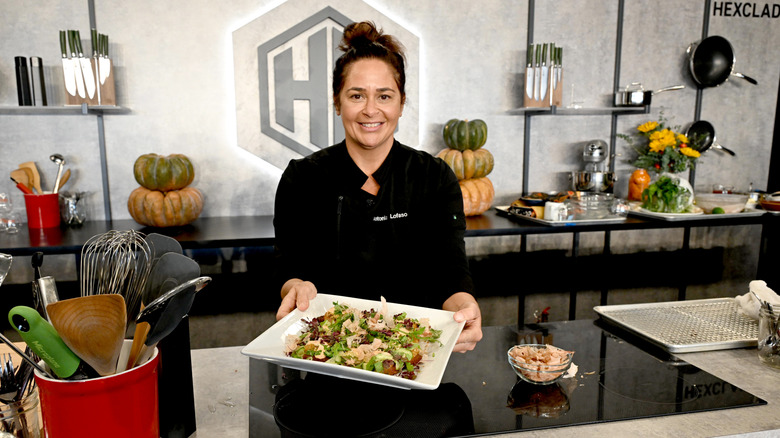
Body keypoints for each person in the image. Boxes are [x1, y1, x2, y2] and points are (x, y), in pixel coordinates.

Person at [273, 21, 482, 353]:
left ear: (401, 103)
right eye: (357, 95)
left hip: (414, 352)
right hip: (326, 354)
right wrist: (295, 287)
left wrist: (464, 307)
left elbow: (451, 267)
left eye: (384, 96)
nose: (371, 110)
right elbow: (288, 266)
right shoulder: (304, 178)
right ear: (337, 102)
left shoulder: (434, 176)